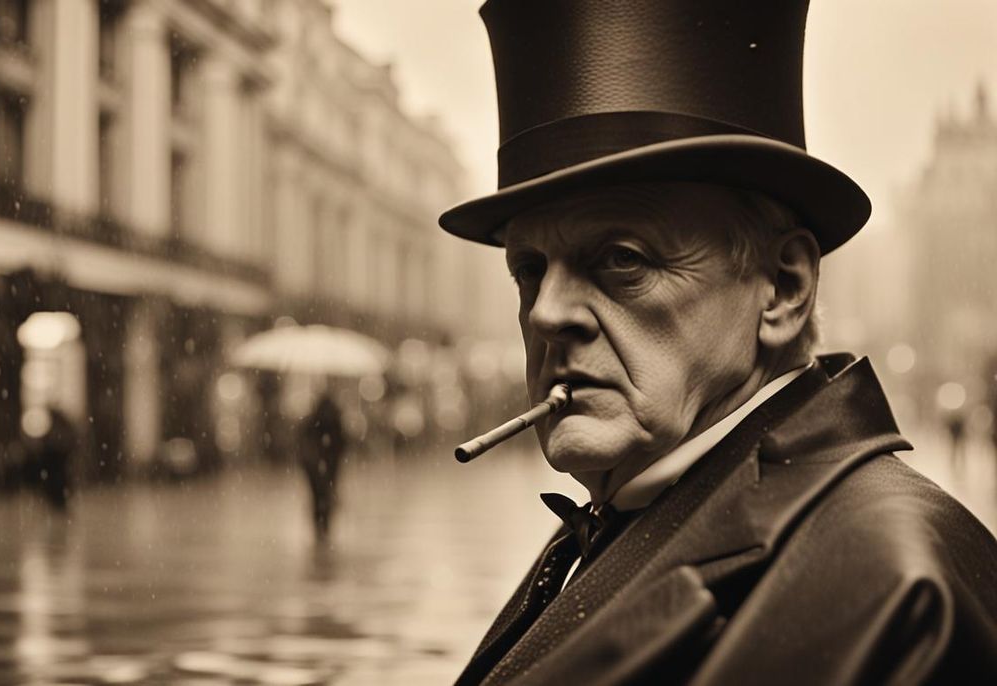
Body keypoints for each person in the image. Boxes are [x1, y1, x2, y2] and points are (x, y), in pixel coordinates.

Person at [437, 2, 997, 684]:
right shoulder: (626, 512)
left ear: (783, 288)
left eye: (622, 259)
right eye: (529, 270)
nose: (547, 313)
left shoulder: (894, 596)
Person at [299, 390, 345, 541]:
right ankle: (324, 525)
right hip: (327, 465)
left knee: (318, 495)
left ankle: (320, 525)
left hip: (316, 466)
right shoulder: (334, 422)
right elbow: (341, 445)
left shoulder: (313, 421)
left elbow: (304, 443)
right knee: (326, 494)